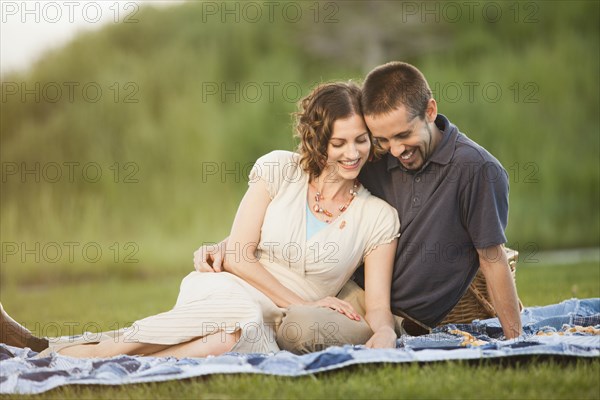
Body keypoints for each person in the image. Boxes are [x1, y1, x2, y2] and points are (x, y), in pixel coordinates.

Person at [0, 82, 401, 358]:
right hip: (236, 286)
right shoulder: (279, 170)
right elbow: (239, 257)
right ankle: (79, 353)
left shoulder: (378, 217)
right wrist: (309, 303)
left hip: (279, 319)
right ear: (318, 140)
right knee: (236, 318)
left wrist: (383, 331)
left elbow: (379, 307)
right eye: (340, 142)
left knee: (230, 341)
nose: (353, 153)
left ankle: (74, 355)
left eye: (361, 140)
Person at [195, 62, 523, 354]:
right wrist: (232, 248)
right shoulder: (373, 154)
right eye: (382, 139)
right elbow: (310, 188)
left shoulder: (477, 171)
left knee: (297, 327)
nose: (395, 150)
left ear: (431, 111)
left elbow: (493, 260)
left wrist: (515, 342)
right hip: (340, 291)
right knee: (255, 312)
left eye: (403, 135)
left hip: (395, 313)